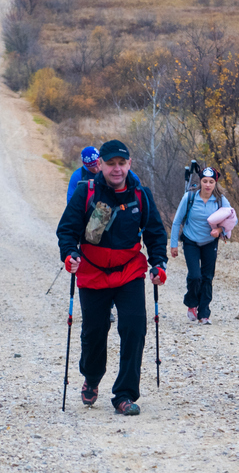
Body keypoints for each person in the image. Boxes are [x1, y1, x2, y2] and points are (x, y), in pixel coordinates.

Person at [56, 139, 168, 416]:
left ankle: (125, 394)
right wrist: (70, 254)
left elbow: (155, 233)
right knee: (94, 332)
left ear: (129, 164)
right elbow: (67, 230)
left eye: (122, 163)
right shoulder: (86, 192)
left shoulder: (141, 194)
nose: (116, 169)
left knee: (134, 329)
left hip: (129, 271)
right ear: (101, 166)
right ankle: (92, 377)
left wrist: (159, 263)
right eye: (110, 164)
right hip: (92, 272)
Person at [170, 166, 233, 324]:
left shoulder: (220, 200)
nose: (207, 185)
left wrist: (219, 229)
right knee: (195, 276)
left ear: (215, 183)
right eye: (205, 181)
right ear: (200, 181)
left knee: (207, 277)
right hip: (190, 240)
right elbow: (177, 221)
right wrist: (173, 245)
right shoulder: (190, 197)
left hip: (210, 242)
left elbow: (233, 219)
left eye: (211, 182)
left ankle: (204, 313)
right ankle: (192, 304)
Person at [66, 146, 139, 203]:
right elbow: (70, 200)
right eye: (91, 168)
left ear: (100, 162)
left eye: (96, 165)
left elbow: (135, 180)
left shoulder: (109, 169)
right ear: (85, 166)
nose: (95, 169)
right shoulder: (78, 175)